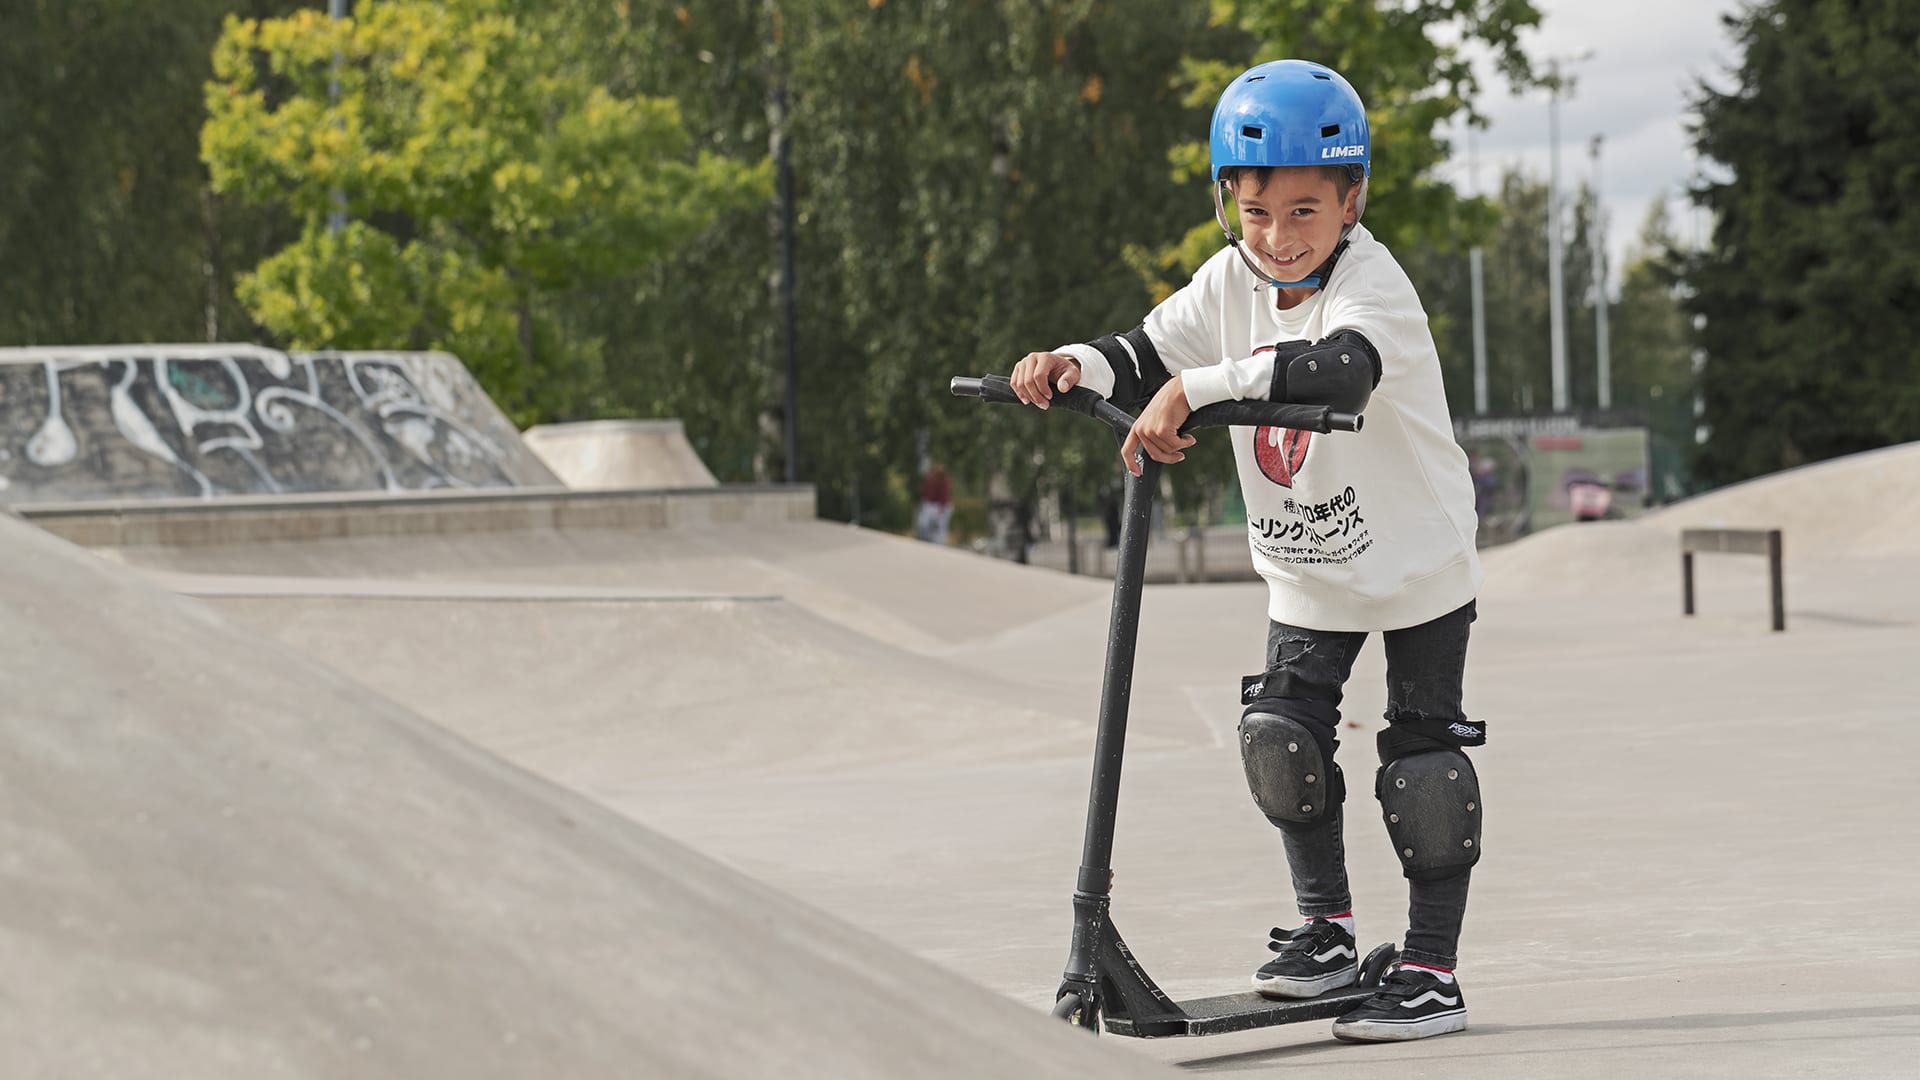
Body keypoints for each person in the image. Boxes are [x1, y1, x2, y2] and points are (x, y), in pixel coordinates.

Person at [1007, 59, 1484, 1043]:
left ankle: (1432, 971)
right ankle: (1326, 932)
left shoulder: (1373, 285)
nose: (1279, 236)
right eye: (1257, 211)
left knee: (1422, 767)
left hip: (1416, 562)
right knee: (1280, 738)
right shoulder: (1230, 281)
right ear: (1229, 201)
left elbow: (1338, 372)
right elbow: (1144, 351)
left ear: (1351, 201)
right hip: (1308, 565)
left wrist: (1197, 389)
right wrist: (1071, 365)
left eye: (1306, 210)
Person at [916, 462, 953, 545]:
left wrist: (943, 507)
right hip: (930, 504)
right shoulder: (930, 478)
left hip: (941, 506)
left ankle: (939, 543)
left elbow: (945, 495)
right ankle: (926, 539)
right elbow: (925, 492)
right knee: (924, 523)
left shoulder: (945, 480)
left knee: (941, 527)